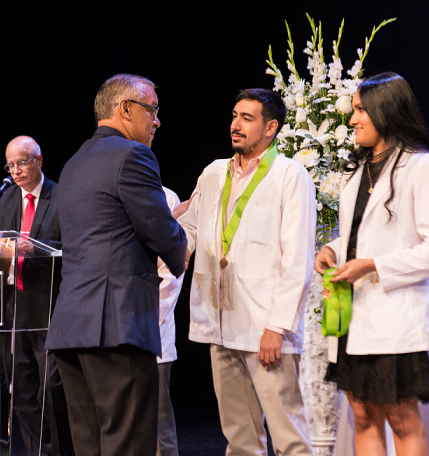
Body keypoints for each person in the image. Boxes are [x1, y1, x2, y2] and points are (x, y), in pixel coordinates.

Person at [45, 74, 187, 456]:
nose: (157, 120)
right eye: (152, 110)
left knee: (89, 447)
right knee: (129, 445)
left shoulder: (73, 164)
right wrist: (182, 241)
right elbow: (162, 234)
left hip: (70, 330)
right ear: (125, 108)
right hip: (117, 328)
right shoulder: (132, 155)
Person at [314, 73, 429, 455]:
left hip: (395, 317)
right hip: (352, 314)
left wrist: (372, 265)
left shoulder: (423, 168)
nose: (352, 119)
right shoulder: (356, 169)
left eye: (361, 110)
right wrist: (332, 250)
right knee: (362, 416)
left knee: (401, 419)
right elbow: (360, 232)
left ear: (386, 110)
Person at [178, 88, 316, 455]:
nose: (235, 125)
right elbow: (190, 226)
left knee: (290, 437)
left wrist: (277, 327)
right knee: (239, 438)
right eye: (234, 116)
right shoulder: (213, 172)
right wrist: (173, 248)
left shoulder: (290, 176)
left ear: (271, 128)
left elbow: (298, 259)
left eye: (247, 118)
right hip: (221, 322)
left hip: (265, 328)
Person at [0, 136, 74, 456]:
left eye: (21, 163)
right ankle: (38, 451)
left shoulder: (62, 196)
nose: (15, 171)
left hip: (49, 304)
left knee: (51, 387)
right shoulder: (2, 202)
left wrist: (36, 248)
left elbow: (75, 246)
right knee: (21, 389)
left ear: (39, 160)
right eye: (10, 165)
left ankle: (60, 451)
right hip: (13, 304)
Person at [156, 186, 185, 456]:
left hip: (154, 330)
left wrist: (145, 323)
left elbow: (171, 274)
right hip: (118, 332)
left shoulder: (166, 198)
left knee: (158, 423)